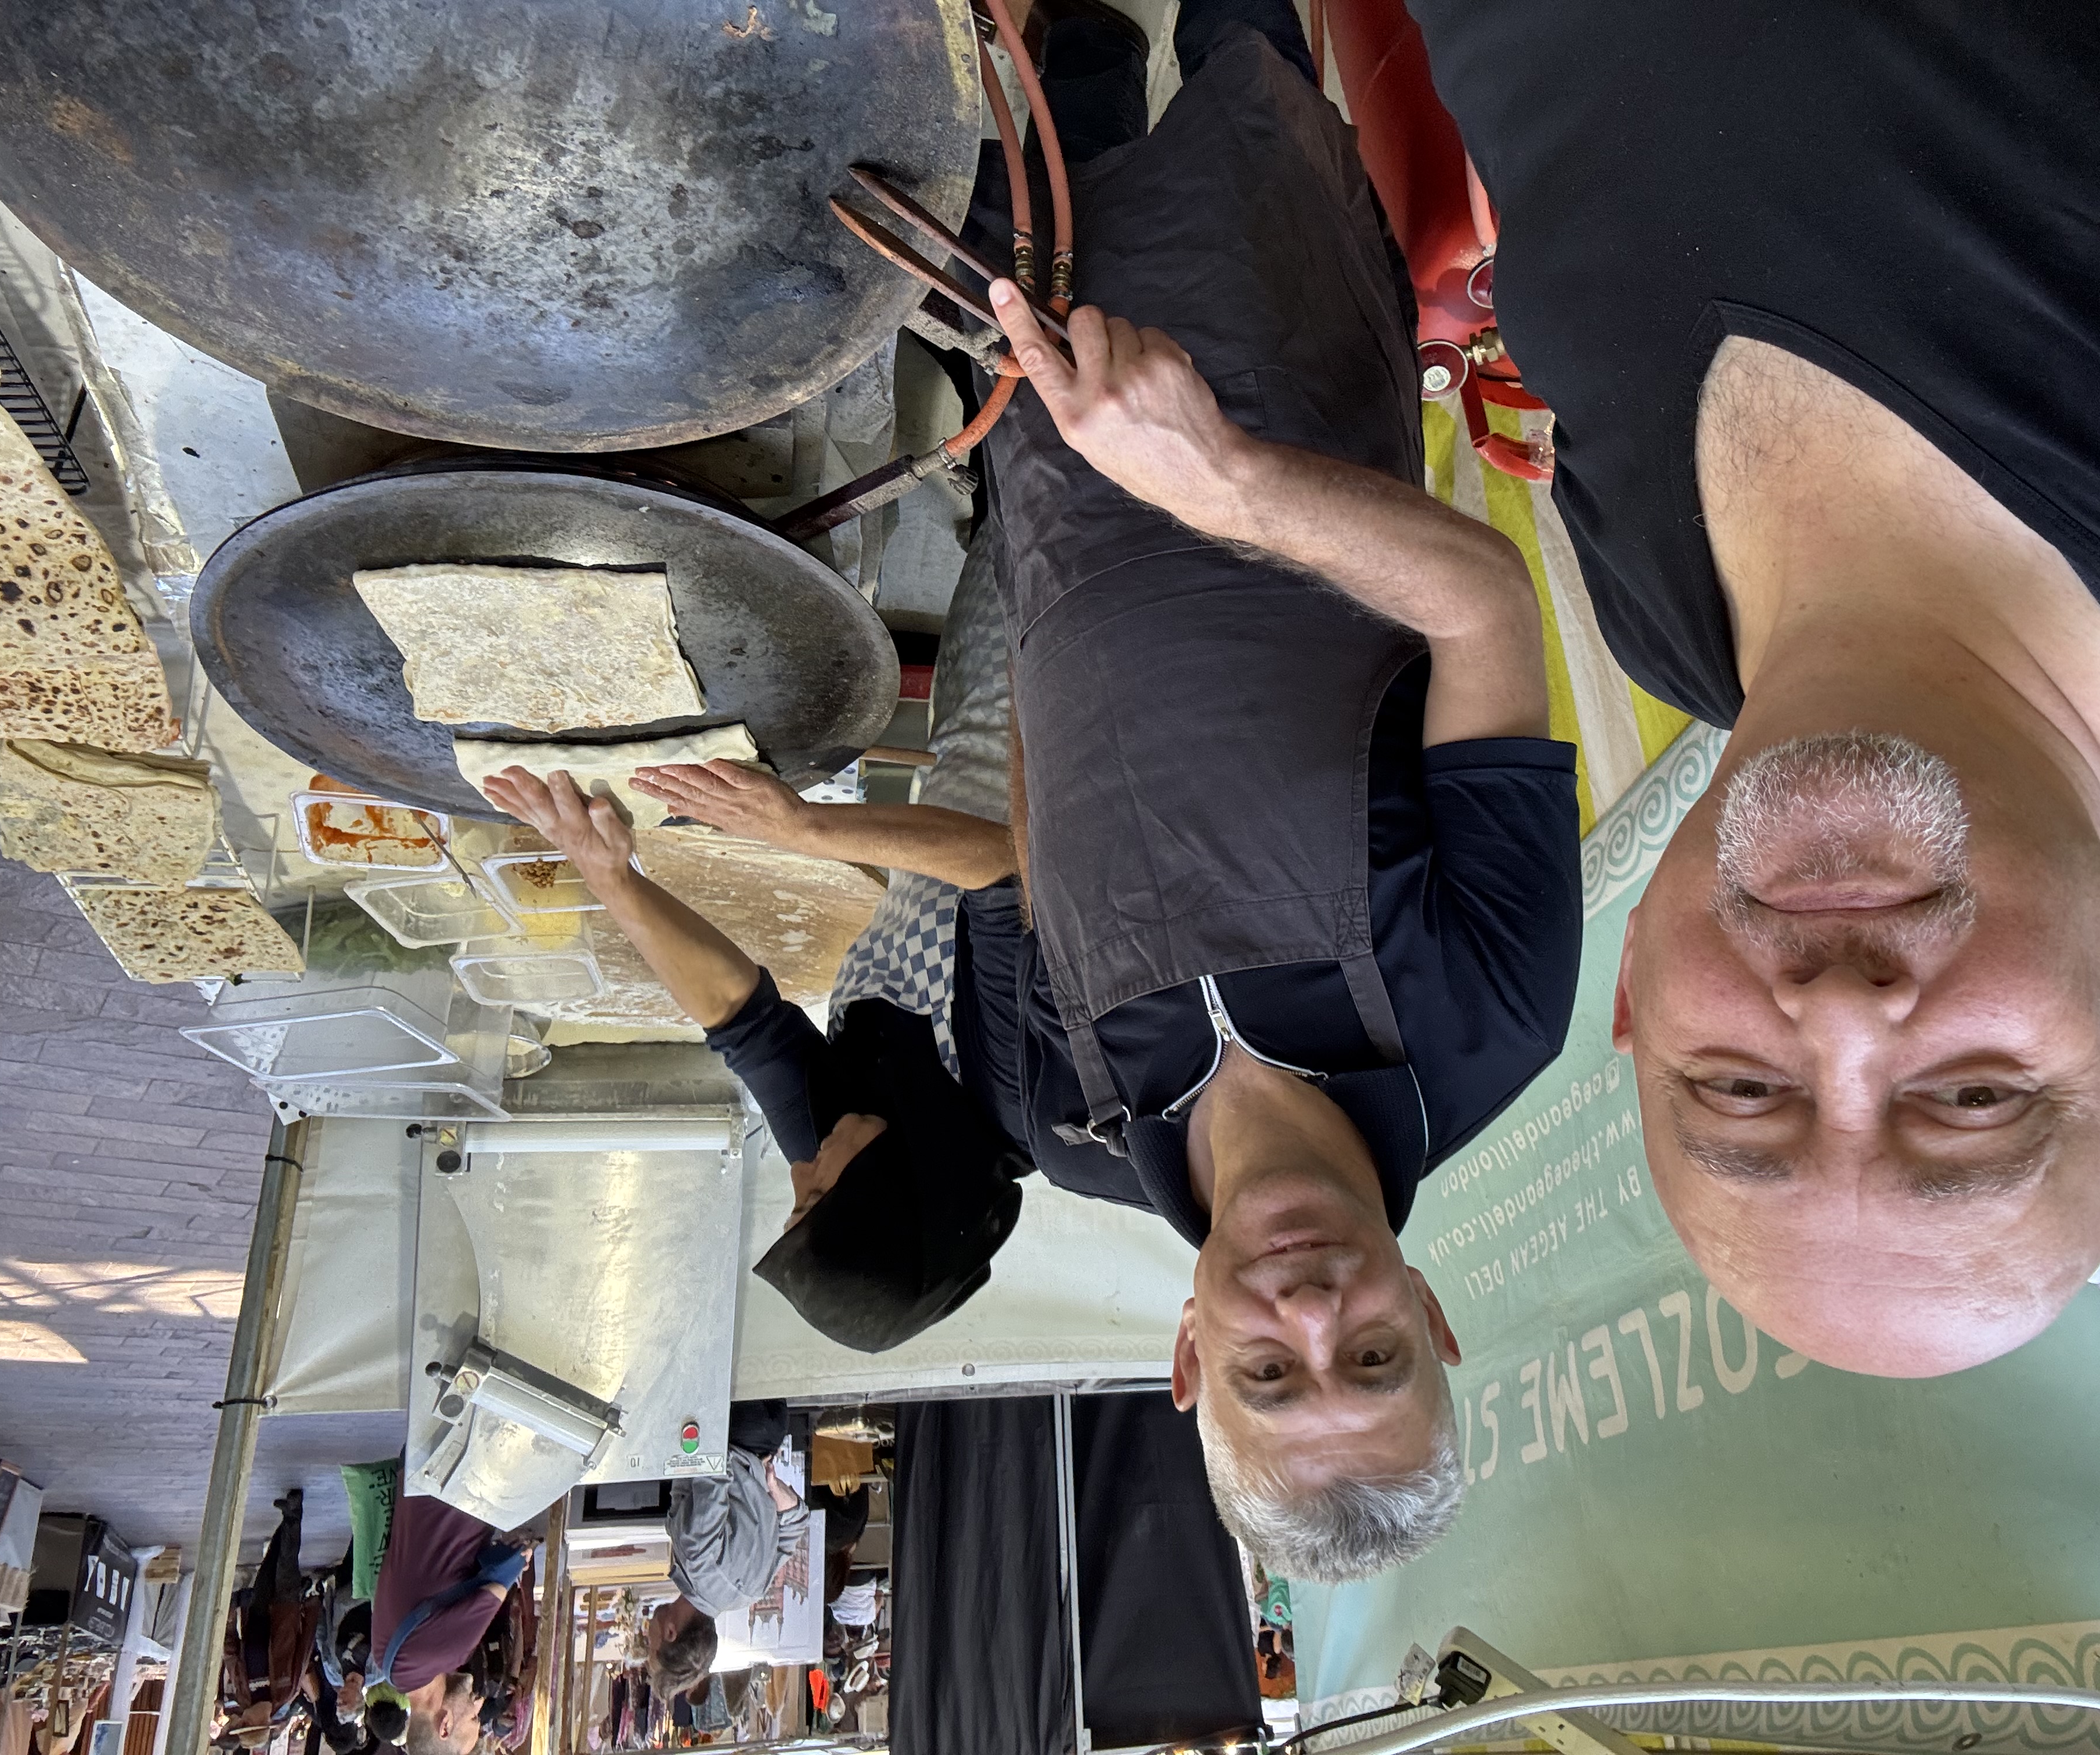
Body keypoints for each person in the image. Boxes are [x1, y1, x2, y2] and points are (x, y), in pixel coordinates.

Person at [1374, 0, 2100, 1375]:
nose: (1841, 1018)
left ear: (1638, 1006)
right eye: (1972, 1096)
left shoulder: (1659, 626)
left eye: (1740, 1089)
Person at [972, 0, 1581, 1582]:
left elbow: (1040, 829)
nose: (1314, 1315)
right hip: (1278, 385)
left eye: (1269, 1374)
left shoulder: (1069, 1124)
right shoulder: (1495, 1023)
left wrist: (1043, 542)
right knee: (1249, 56)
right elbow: (1488, 613)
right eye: (1376, 1357)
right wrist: (1221, 474)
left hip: (1054, 493)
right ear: (1435, 1315)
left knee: (1046, 123)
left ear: (1189, 1364)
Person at [483, 544, 1039, 1353]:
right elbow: (1003, 868)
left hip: (969, 741)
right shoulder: (1016, 1092)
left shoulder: (853, 1133)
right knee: (1058, 507)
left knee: (1004, 523)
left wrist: (614, 878)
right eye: (815, 1199)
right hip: (1066, 718)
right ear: (892, 1199)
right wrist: (800, 831)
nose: (799, 1173)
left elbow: (744, 1023)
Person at [638, 1403, 809, 1703]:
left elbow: (796, 1522)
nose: (644, 1639)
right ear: (669, 1634)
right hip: (738, 1416)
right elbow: (711, 1455)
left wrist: (769, 1486)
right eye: (650, 1650)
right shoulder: (696, 1558)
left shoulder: (750, 1594)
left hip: (771, 1429)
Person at [367, 1489, 528, 1755]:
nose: (478, 1705)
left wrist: (521, 1558)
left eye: (473, 1717)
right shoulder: (386, 1662)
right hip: (422, 1483)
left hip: (466, 1485)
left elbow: (512, 1563)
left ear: (445, 1726)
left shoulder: (446, 1654)